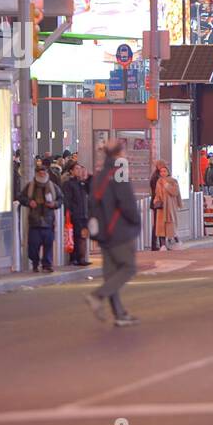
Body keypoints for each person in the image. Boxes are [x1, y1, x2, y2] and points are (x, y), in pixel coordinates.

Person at [86, 139, 140, 327]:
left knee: (111, 274)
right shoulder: (119, 173)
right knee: (128, 267)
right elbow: (127, 203)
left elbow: (93, 202)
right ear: (119, 154)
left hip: (103, 232)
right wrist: (135, 222)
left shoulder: (99, 175)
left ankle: (119, 314)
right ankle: (97, 295)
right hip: (119, 230)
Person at [18, 161, 61, 273]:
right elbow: (21, 197)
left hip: (48, 221)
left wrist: (54, 204)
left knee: (48, 244)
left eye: (44, 172)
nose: (42, 174)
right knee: (33, 246)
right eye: (40, 172)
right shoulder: (30, 186)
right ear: (36, 173)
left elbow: (61, 199)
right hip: (34, 222)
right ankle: (35, 263)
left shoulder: (53, 186)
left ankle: (47, 264)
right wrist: (29, 202)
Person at [61, 161, 91, 266]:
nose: (79, 171)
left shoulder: (82, 184)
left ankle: (81, 257)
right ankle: (75, 258)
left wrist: (87, 177)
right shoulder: (68, 184)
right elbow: (67, 200)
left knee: (83, 236)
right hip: (75, 214)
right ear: (71, 171)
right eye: (77, 169)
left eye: (80, 169)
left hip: (84, 213)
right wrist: (68, 213)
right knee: (75, 236)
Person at [152, 160, 182, 251]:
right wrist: (156, 201)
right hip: (161, 207)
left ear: (168, 172)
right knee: (161, 227)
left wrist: (167, 185)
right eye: (161, 171)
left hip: (170, 207)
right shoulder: (158, 182)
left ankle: (176, 241)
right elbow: (157, 193)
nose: (163, 173)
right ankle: (163, 245)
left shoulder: (173, 181)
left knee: (171, 225)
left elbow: (175, 192)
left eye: (164, 171)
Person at [148, 164, 163, 251]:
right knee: (158, 224)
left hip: (155, 203)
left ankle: (158, 244)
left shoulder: (154, 177)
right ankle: (157, 244)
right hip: (158, 203)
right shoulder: (157, 179)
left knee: (157, 224)